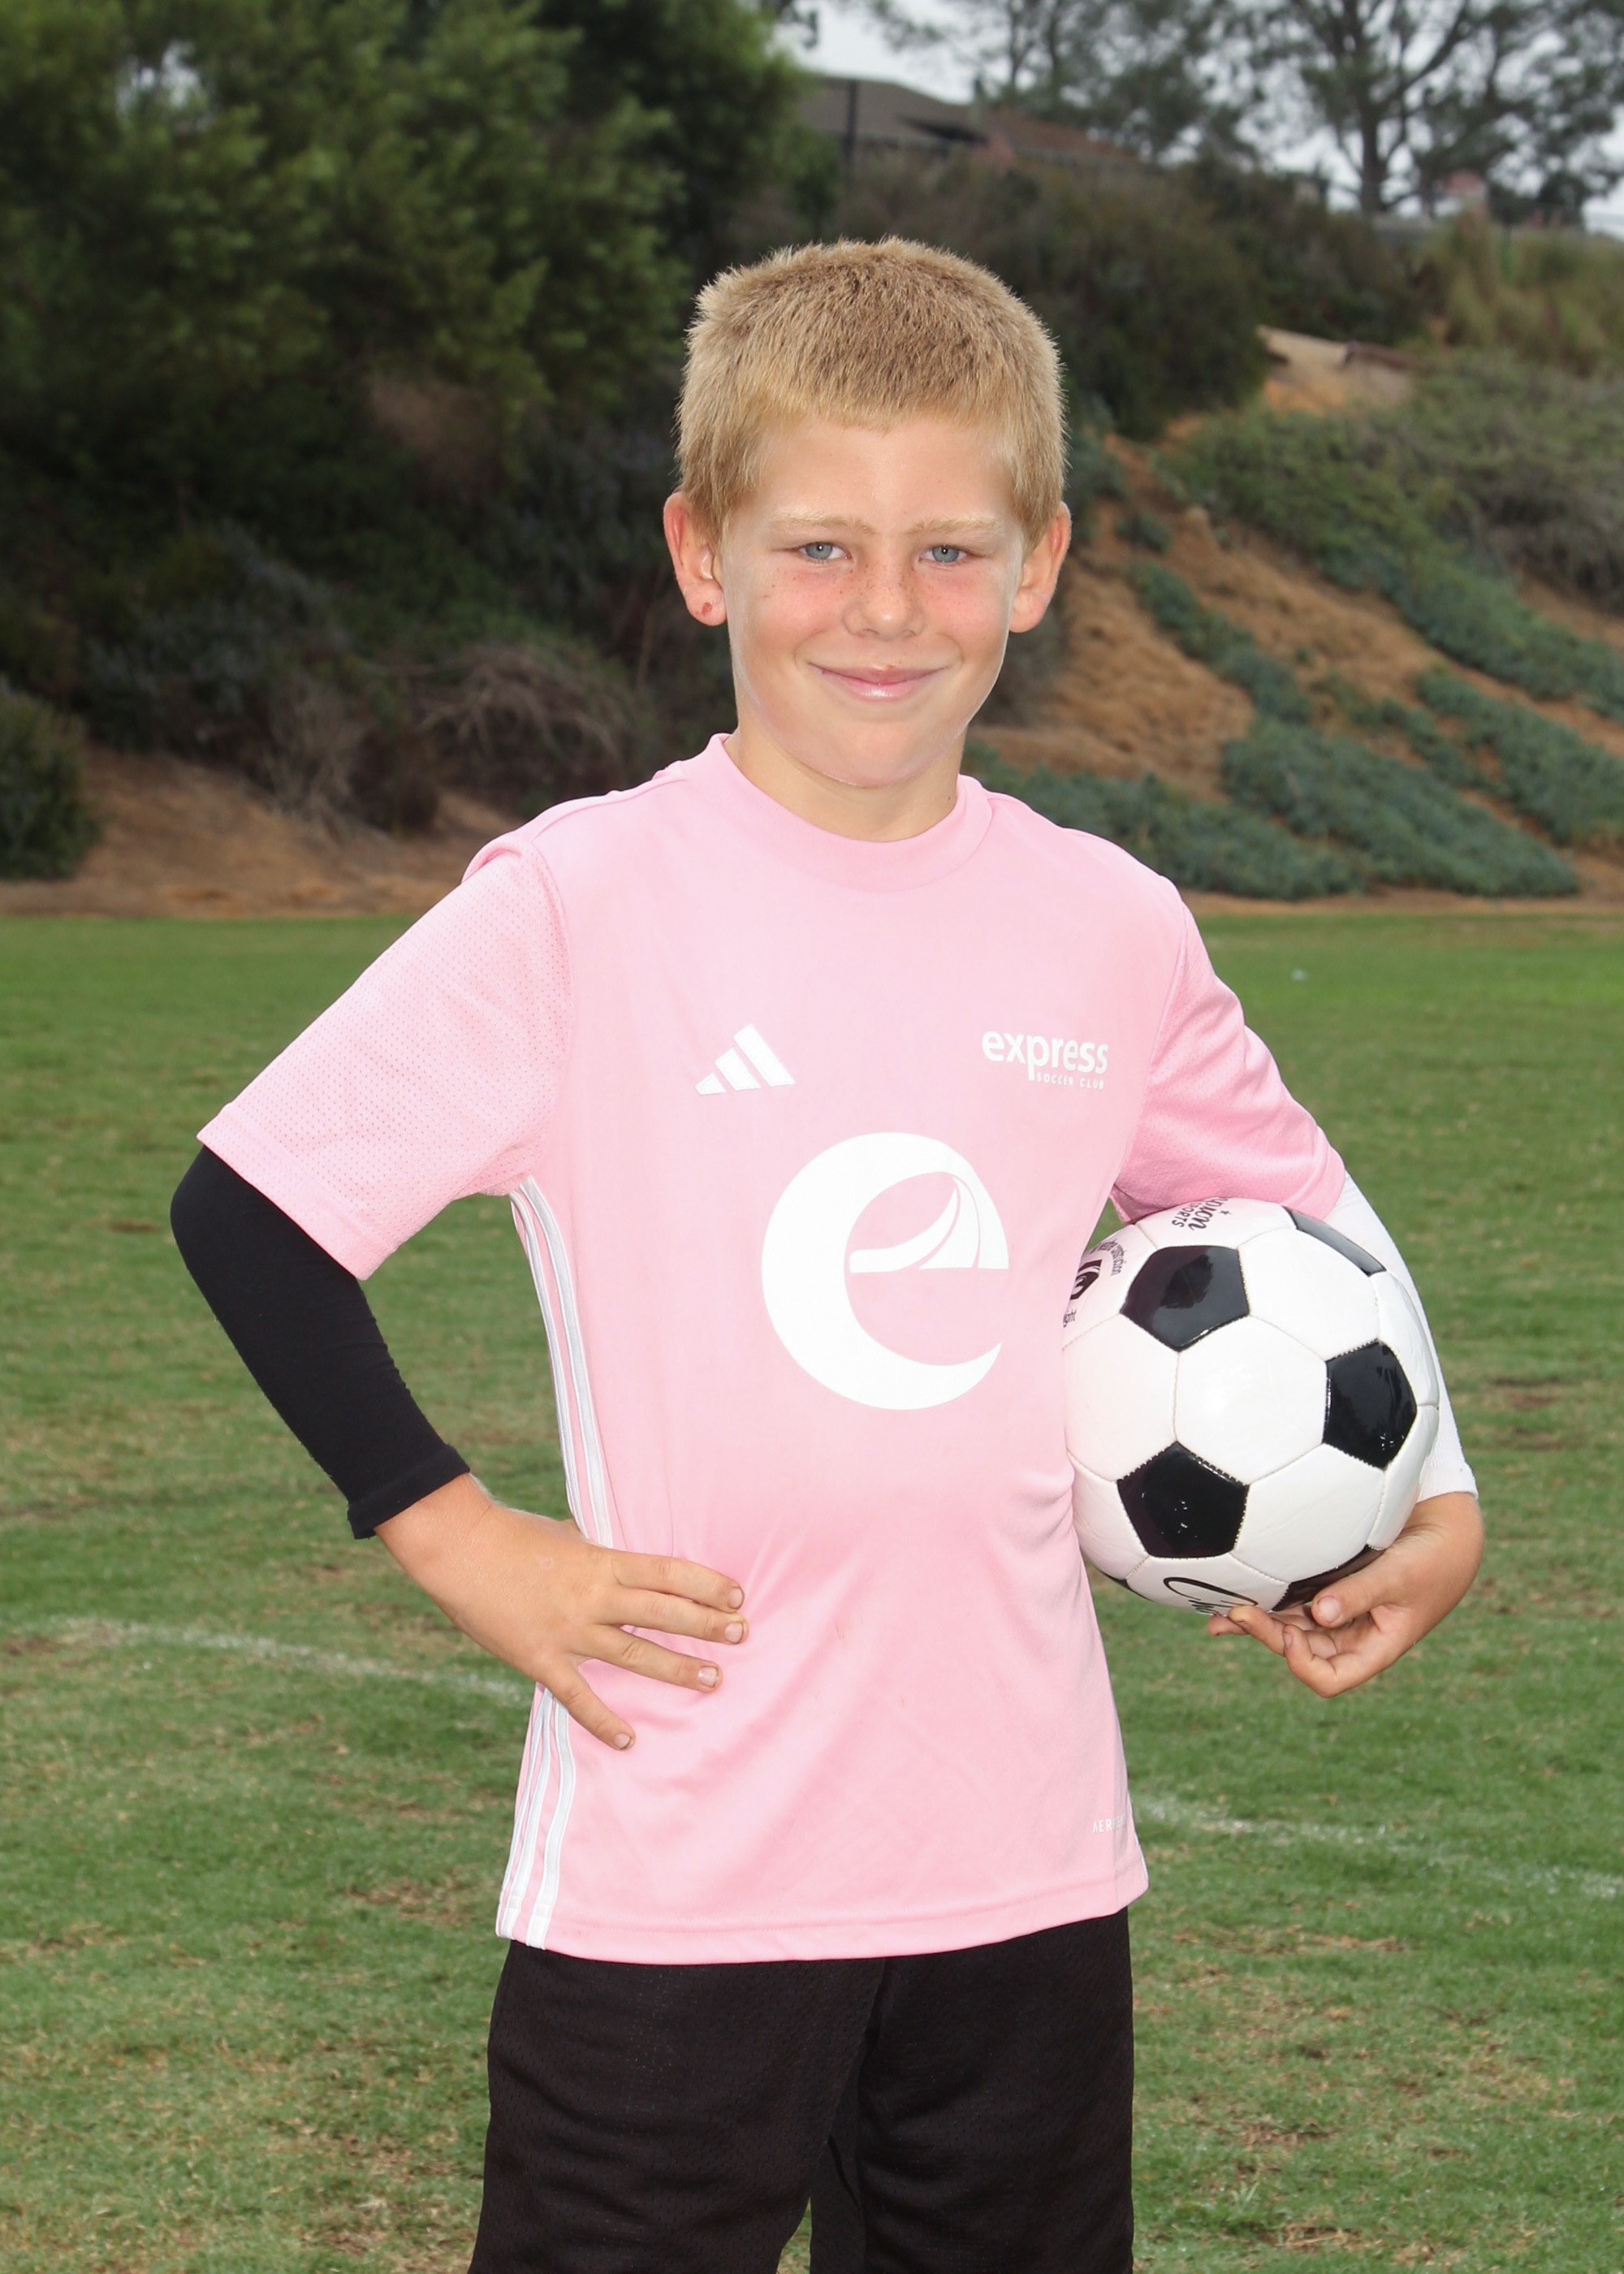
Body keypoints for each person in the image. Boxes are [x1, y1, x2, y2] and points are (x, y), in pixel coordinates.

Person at [171, 240, 1483, 2274]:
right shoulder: (583, 904)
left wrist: (1438, 1494)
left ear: (1040, 564)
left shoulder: (1106, 925)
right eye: (818, 547)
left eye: (950, 550)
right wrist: (458, 1532)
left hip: (1024, 1873)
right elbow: (251, 1209)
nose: (885, 609)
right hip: (678, 1863)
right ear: (701, 554)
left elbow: (1315, 1228)